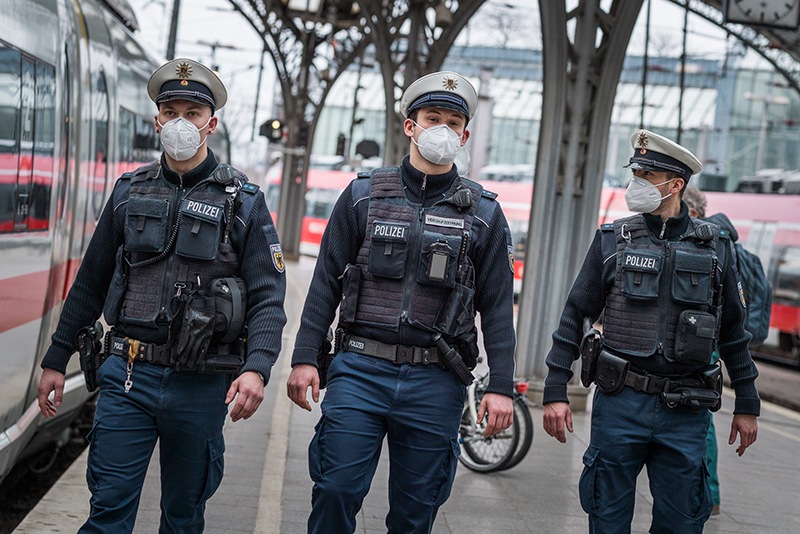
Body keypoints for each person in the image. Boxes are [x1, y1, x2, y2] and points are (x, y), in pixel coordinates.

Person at [36, 58, 287, 533]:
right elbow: (90, 281)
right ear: (156, 120)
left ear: (211, 123)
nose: (180, 122)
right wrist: (56, 358)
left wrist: (257, 368)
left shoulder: (243, 202)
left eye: (193, 113)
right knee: (107, 510)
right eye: (170, 110)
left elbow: (268, 296)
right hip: (128, 377)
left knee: (183, 515)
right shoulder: (130, 192)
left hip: (201, 385)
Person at [286, 71, 517, 533]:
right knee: (335, 488)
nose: (442, 130)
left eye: (453, 123)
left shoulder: (485, 214)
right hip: (359, 371)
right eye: (433, 118)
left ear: (465, 135)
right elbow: (324, 283)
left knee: (417, 512)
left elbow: (496, 307)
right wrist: (304, 357)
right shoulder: (362, 196)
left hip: (436, 380)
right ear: (410, 125)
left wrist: (501, 387)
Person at [541, 129, 759, 533]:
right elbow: (575, 314)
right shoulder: (612, 240)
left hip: (686, 408)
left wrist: (747, 401)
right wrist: (555, 388)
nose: (635, 182)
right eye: (635, 171)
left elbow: (733, 331)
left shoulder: (717, 250)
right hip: (620, 402)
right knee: (606, 519)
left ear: (675, 185)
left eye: (646, 174)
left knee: (681, 523)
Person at [683, 186, 722, 516]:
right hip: (705, 345)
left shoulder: (713, 250)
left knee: (702, 424)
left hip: (700, 349)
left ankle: (709, 493)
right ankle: (709, 493)